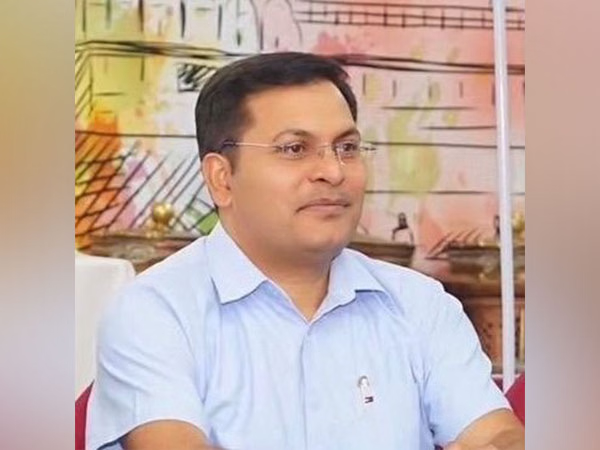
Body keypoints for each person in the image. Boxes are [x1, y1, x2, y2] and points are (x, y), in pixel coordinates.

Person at [86, 52, 524, 450]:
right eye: (295, 149)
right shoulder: (156, 311)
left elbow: (496, 434)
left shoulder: (419, 304)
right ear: (221, 178)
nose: (333, 171)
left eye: (347, 148)